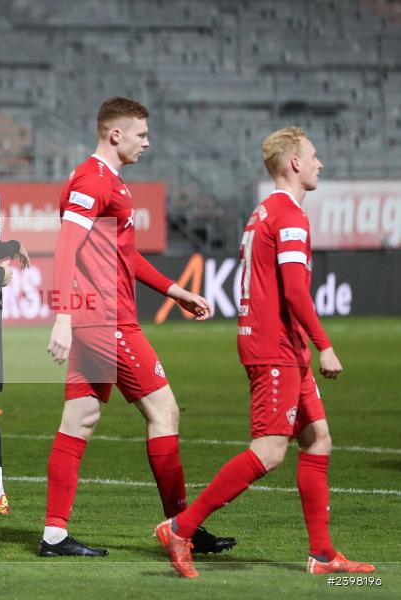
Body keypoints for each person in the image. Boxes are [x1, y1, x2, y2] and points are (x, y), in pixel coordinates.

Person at [155, 127, 376, 578]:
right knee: (271, 450)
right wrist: (326, 346)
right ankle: (182, 527)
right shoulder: (289, 215)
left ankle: (321, 553)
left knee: (318, 440)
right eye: (314, 156)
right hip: (274, 345)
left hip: (281, 344)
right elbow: (295, 291)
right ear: (294, 162)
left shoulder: (264, 212)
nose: (320, 163)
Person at [39, 97, 233, 557]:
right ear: (115, 135)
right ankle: (183, 527)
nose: (148, 142)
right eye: (141, 135)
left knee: (79, 420)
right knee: (164, 411)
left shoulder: (111, 183)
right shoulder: (92, 180)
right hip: (105, 319)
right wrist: (62, 317)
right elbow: (65, 248)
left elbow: (125, 255)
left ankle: (53, 536)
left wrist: (173, 290)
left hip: (100, 317)